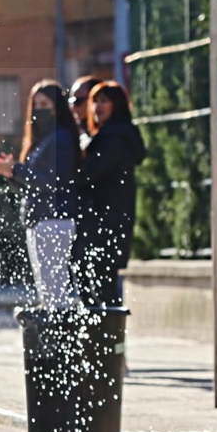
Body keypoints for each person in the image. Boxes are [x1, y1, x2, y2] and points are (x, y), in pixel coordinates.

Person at [0, 80, 80, 311]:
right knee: (46, 288)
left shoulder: (61, 138)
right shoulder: (42, 141)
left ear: (57, 107)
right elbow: (34, 186)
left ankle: (57, 337)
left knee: (55, 291)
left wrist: (16, 169)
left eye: (45, 103)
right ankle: (51, 336)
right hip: (40, 220)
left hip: (54, 220)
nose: (39, 109)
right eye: (36, 104)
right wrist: (11, 174)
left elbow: (55, 182)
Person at [77, 81, 146, 307]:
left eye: (104, 101)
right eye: (94, 101)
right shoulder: (110, 136)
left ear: (117, 105)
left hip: (106, 226)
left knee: (104, 292)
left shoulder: (115, 139)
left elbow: (87, 174)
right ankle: (108, 338)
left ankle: (110, 338)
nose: (97, 106)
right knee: (104, 288)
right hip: (109, 224)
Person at [69, 75, 102, 150]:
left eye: (77, 101)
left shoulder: (110, 136)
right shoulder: (82, 135)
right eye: (70, 102)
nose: (72, 107)